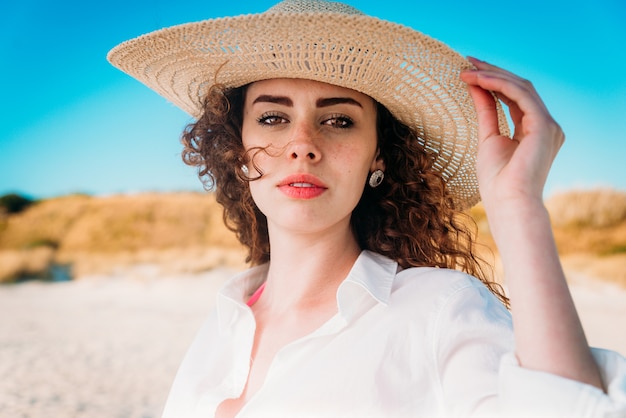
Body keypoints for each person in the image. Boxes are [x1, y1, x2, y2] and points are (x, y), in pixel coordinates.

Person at [108, 1, 626, 416]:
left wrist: (517, 205)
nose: (302, 145)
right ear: (235, 148)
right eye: (271, 118)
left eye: (338, 121)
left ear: (379, 154)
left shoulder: (438, 311)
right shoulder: (221, 323)